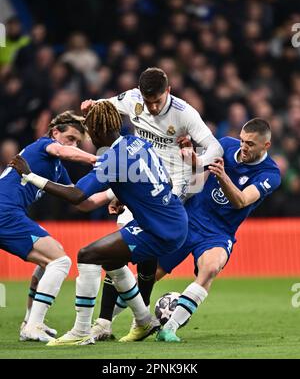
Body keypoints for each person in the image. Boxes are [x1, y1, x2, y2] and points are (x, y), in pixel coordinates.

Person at [9, 100, 189, 345]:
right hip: (173, 218)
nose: (87, 139)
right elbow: (163, 179)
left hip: (159, 230)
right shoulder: (137, 141)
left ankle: (81, 330)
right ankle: (144, 320)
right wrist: (122, 195)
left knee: (87, 254)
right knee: (112, 258)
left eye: (88, 133)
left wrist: (30, 176)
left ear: (97, 132)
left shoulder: (111, 159)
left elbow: (77, 197)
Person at [80, 67, 223, 340]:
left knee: (135, 251)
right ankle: (113, 323)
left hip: (172, 184)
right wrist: (91, 106)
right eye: (148, 102)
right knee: (124, 251)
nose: (153, 107)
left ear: (168, 91)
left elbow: (214, 147)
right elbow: (105, 108)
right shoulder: (132, 98)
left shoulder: (185, 113)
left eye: (158, 101)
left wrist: (198, 162)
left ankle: (125, 321)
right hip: (140, 177)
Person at [155, 118, 281, 342]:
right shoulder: (225, 144)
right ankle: (106, 323)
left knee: (211, 268)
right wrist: (190, 155)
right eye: (242, 140)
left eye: (250, 144)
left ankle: (170, 328)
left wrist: (223, 177)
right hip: (190, 219)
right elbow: (197, 169)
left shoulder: (270, 174)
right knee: (151, 273)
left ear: (266, 146)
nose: (243, 147)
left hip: (218, 232)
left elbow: (241, 201)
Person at [0, 111, 112, 342]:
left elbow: (83, 202)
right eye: (70, 138)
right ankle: (34, 324)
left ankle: (29, 323)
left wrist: (114, 193)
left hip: (8, 214)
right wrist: (97, 159)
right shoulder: (43, 146)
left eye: (78, 142)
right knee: (60, 261)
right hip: (5, 212)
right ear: (54, 133)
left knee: (49, 259)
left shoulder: (57, 169)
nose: (73, 145)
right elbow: (61, 150)